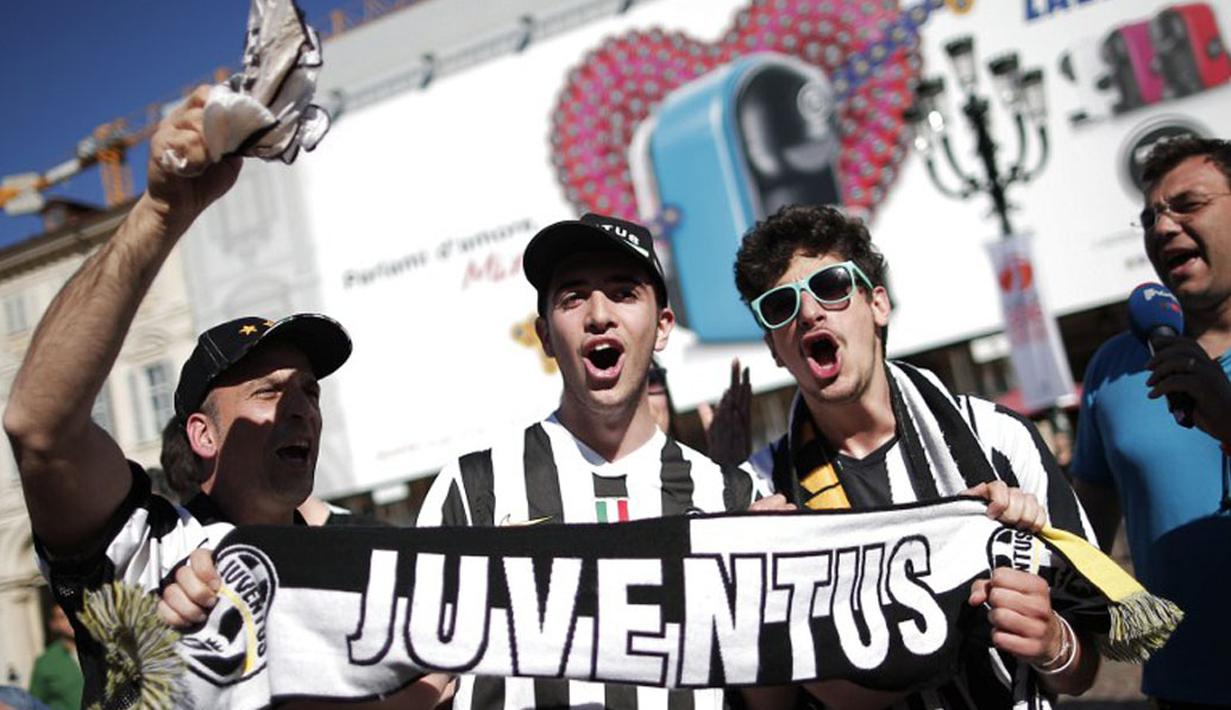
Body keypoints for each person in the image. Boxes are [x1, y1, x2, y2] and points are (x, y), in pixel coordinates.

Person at [2, 87, 447, 710]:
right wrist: (160, 211)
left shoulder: (359, 564)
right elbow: (39, 427)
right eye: (269, 391)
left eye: (309, 392)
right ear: (203, 435)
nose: (300, 409)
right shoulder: (150, 552)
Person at [726, 205, 1099, 708]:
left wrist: (1053, 643)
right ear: (774, 346)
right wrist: (754, 595)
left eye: (831, 285)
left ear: (877, 304)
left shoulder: (996, 440)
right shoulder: (760, 493)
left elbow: (1084, 663)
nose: (809, 312)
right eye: (779, 307)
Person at [416, 213, 759, 710]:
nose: (599, 314)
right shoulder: (471, 492)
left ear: (663, 326)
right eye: (573, 297)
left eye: (623, 292)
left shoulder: (730, 499)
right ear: (546, 336)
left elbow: (768, 693)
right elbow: (419, 682)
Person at [1070, 136, 1231, 708]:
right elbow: (1081, 534)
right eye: (1150, 217)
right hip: (1181, 691)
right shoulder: (1114, 368)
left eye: (1187, 205)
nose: (1163, 228)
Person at [26, 604, 81, 710]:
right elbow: (33, 704)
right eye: (63, 617)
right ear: (54, 625)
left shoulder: (105, 651)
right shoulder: (46, 663)